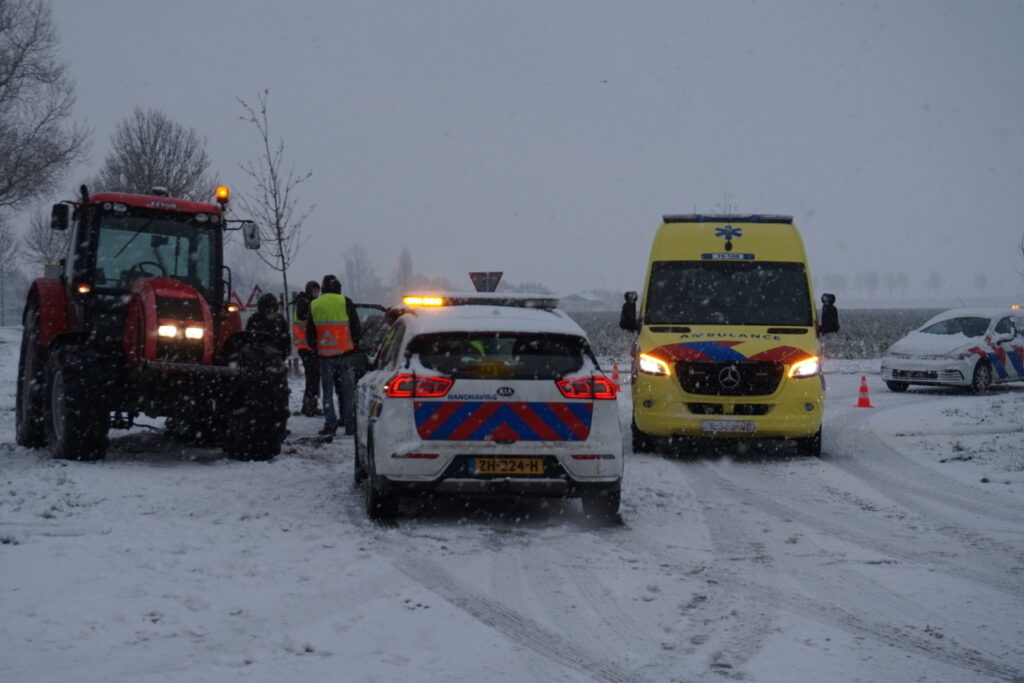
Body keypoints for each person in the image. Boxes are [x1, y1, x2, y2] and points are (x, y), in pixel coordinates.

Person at [307, 274, 362, 437]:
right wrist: (355, 346)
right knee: (349, 390)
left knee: (328, 391)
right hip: (346, 354)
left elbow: (310, 331)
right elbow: (356, 327)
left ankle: (330, 424)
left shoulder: (315, 304)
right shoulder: (346, 302)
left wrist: (316, 348)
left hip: (325, 356)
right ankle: (350, 425)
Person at [292, 280, 321, 416]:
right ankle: (310, 406)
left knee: (313, 377)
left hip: (307, 346)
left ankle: (309, 404)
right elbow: (308, 317)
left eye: (317, 291)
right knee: (312, 377)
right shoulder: (304, 303)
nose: (316, 293)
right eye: (314, 290)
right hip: (306, 346)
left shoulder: (304, 302)